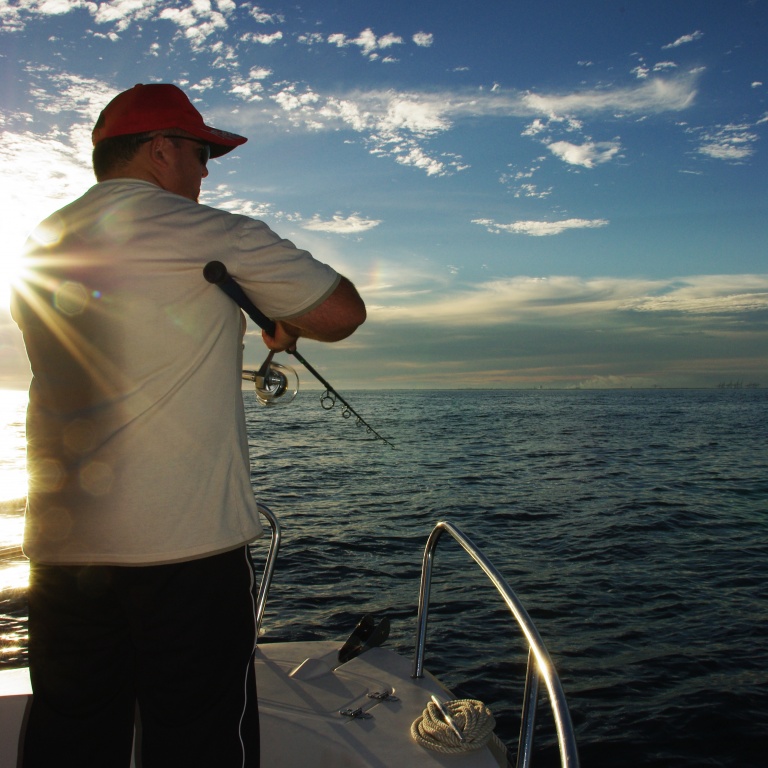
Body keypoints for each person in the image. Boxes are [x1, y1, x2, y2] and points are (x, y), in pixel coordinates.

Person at [11, 83, 366, 768]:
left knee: (72, 736)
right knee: (198, 739)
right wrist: (283, 319)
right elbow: (341, 313)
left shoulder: (40, 239)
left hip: (63, 552)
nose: (206, 170)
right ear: (162, 148)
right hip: (185, 555)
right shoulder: (211, 233)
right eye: (202, 153)